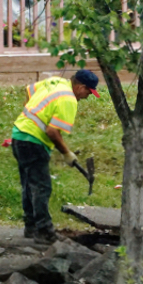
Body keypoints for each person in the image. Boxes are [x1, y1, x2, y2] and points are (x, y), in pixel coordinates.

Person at [7, 69, 99, 242]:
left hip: (19, 134)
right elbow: (52, 131)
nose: (87, 96)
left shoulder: (55, 82)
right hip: (34, 142)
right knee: (41, 187)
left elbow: (29, 90)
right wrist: (67, 153)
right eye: (88, 92)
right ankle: (44, 231)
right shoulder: (68, 100)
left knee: (28, 184)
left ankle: (31, 227)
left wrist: (29, 119)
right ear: (80, 87)